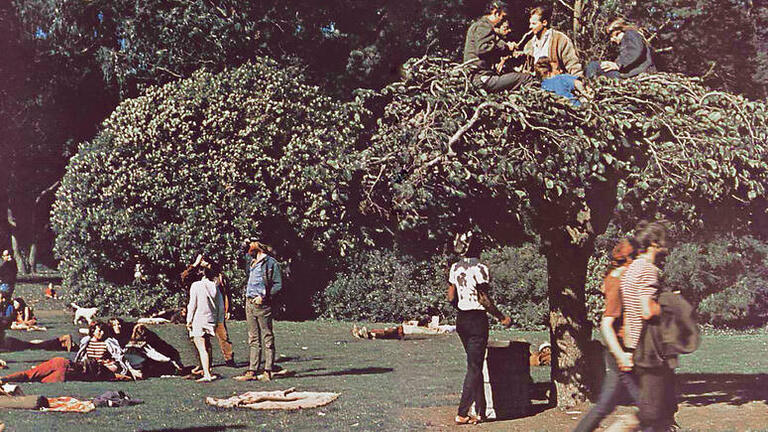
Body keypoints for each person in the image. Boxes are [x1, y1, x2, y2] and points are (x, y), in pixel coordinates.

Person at [573, 239, 642, 432]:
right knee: (648, 408)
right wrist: (621, 355)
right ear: (629, 258)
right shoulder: (617, 281)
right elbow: (606, 324)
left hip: (627, 352)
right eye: (637, 257)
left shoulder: (624, 279)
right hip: (621, 353)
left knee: (605, 405)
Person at [447, 230, 512, 425]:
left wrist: (461, 305)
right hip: (477, 319)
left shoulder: (456, 267)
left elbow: (451, 297)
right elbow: (484, 299)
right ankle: (462, 412)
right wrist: (501, 317)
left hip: (462, 318)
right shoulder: (481, 268)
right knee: (475, 368)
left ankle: (481, 410)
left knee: (473, 366)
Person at [621, 221, 678, 432]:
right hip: (649, 350)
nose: (667, 244)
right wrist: (672, 305)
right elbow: (647, 310)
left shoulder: (632, 268)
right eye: (664, 239)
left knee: (658, 412)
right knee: (651, 415)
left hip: (633, 345)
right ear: (654, 243)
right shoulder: (648, 269)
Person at [234, 240, 283, 382]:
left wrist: (264, 297)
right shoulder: (251, 261)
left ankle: (268, 370)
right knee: (253, 338)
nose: (248, 250)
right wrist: (242, 245)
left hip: (262, 304)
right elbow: (239, 258)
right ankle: (252, 370)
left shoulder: (271, 263)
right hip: (249, 302)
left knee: (267, 336)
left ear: (257, 247)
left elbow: (278, 285)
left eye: (250, 247)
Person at [463, 1, 532, 92]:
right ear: (496, 13)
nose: (502, 21)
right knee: (526, 78)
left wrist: (508, 48)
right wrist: (506, 47)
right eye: (503, 17)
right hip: (482, 78)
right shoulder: (484, 26)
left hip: (478, 77)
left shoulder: (480, 26)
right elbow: (483, 48)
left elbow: (492, 46)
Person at [182, 255, 235, 367]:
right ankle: (205, 363)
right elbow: (184, 277)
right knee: (203, 338)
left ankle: (229, 358)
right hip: (201, 310)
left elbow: (226, 293)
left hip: (216, 309)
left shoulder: (218, 276)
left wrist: (227, 309)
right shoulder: (196, 276)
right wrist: (195, 264)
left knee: (222, 335)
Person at [186, 265, 223, 382]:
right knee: (207, 346)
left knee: (202, 348)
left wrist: (189, 320)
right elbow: (220, 306)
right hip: (210, 319)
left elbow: (192, 305)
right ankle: (208, 370)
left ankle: (206, 373)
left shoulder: (196, 286)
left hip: (199, 319)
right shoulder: (215, 287)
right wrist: (218, 321)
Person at [522, 4, 583, 77]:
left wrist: (577, 80)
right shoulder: (529, 45)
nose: (530, 26)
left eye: (534, 24)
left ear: (544, 23)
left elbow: (572, 64)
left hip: (556, 81)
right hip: (534, 84)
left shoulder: (560, 39)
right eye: (530, 23)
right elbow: (526, 68)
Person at [586, 18, 656, 79]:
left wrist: (618, 64)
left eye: (612, 36)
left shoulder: (630, 34)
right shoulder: (630, 38)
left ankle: (587, 88)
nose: (612, 40)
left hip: (634, 74)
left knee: (594, 66)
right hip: (632, 74)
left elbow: (635, 51)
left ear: (617, 31)